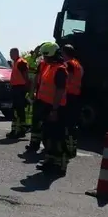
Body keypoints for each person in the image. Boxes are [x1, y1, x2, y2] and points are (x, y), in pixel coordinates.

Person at [33, 42, 69, 175]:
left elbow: (59, 91)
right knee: (47, 135)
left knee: (57, 137)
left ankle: (60, 164)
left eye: (46, 56)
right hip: (46, 105)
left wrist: (54, 110)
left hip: (56, 108)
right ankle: (49, 160)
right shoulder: (49, 67)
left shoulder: (60, 70)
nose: (44, 58)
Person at [61, 44, 84, 158]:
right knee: (72, 124)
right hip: (75, 95)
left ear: (65, 53)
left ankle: (67, 149)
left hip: (68, 95)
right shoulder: (77, 64)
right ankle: (72, 148)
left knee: (66, 124)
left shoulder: (69, 64)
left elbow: (67, 79)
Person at [6, 47, 31, 139]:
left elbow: (25, 76)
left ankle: (20, 130)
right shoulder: (16, 62)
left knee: (19, 110)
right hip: (16, 88)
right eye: (10, 53)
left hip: (20, 89)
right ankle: (17, 130)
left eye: (11, 53)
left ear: (16, 53)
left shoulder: (21, 62)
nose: (10, 55)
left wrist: (27, 88)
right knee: (16, 110)